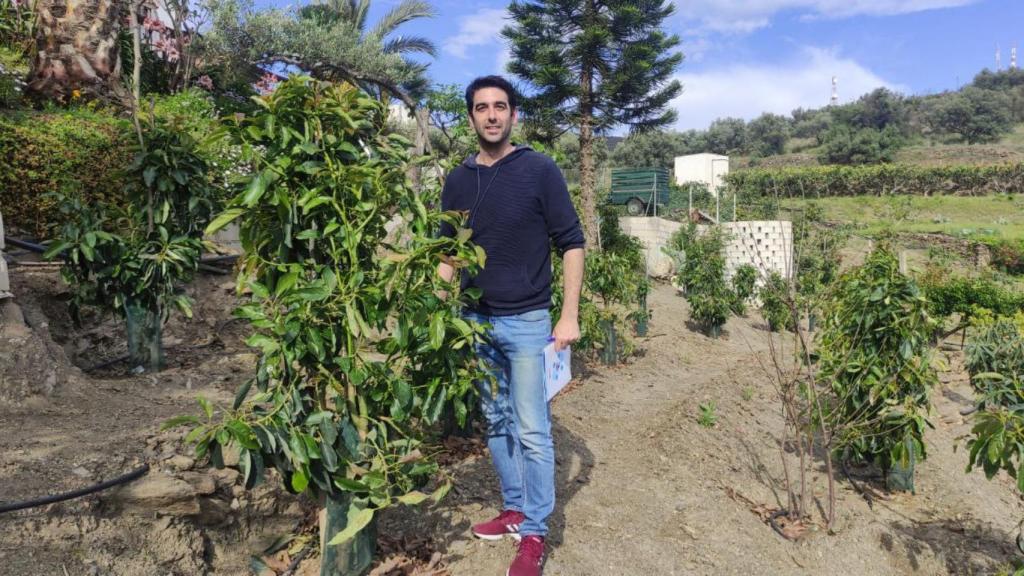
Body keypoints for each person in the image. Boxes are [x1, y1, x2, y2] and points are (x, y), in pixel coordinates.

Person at [437, 75, 585, 576]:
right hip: (475, 323)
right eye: (482, 108)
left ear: (514, 115)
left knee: (532, 429)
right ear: (471, 116)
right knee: (497, 422)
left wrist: (569, 314)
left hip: (526, 322)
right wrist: (435, 310)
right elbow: (448, 253)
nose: (492, 115)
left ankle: (536, 533)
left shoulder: (539, 170)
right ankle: (515, 508)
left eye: (501, 106)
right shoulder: (457, 180)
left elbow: (571, 241)